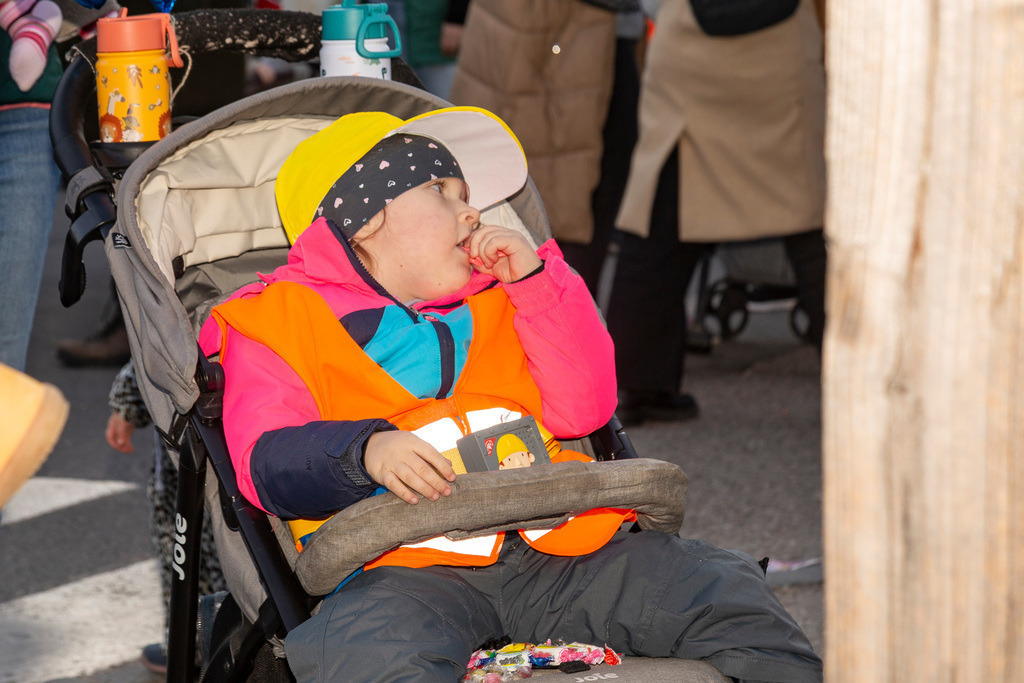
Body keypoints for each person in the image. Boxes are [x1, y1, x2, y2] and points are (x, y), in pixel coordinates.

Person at [197, 106, 822, 682]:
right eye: (442, 194)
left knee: (719, 585)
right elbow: (265, 460)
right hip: (405, 572)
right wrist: (360, 450)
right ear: (364, 219)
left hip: (563, 544)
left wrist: (536, 284)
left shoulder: (508, 300)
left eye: (469, 198)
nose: (472, 213)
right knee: (360, 651)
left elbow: (585, 408)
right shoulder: (272, 323)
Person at [606, 0, 828, 425]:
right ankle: (860, 377)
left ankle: (636, 385)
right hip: (781, 60)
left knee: (662, 215)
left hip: (689, 54)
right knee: (811, 225)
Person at [105, 360, 226, 674]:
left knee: (185, 548)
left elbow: (155, 345)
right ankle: (245, 641)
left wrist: (127, 404)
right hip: (255, 432)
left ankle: (192, 647)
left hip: (191, 448)